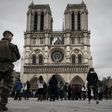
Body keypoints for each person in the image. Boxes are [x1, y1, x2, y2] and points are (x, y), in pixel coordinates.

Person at [0, 30, 20, 111]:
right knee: (7, 87)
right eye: (11, 36)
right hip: (8, 67)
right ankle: (2, 105)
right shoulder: (12, 46)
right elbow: (18, 56)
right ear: (8, 36)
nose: (12, 38)